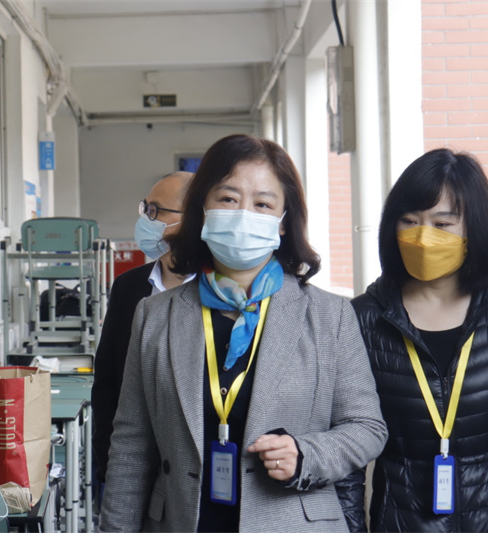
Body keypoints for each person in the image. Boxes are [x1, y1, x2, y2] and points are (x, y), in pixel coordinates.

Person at [99, 134, 387, 532]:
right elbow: (131, 443)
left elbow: (367, 427)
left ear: (283, 222)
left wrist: (306, 454)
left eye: (263, 204)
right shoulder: (155, 315)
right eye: (228, 198)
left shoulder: (330, 315)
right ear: (203, 209)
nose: (243, 214)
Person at [350, 148, 488, 532]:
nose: (423, 237)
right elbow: (348, 452)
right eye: (409, 221)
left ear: (473, 228)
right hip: (401, 520)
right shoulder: (362, 318)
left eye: (442, 223)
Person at [92, 170, 195, 487]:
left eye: (155, 211)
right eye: (145, 208)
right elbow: (107, 380)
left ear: (192, 219)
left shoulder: (219, 292)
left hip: (190, 470)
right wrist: (107, 464)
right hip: (131, 464)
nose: (146, 219)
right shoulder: (128, 287)